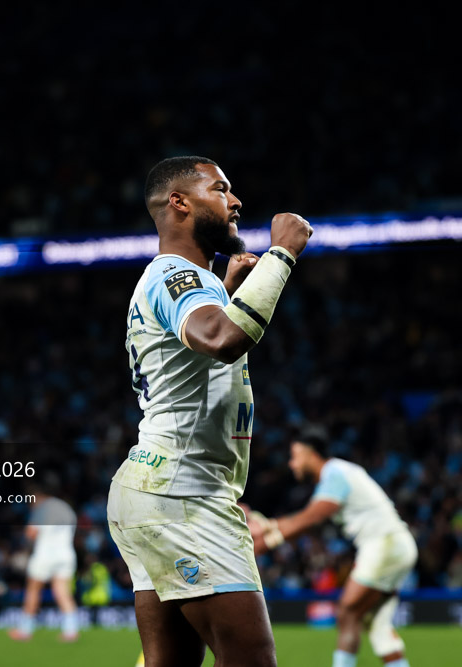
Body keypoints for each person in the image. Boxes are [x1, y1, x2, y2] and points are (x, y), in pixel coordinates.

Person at [108, 155, 313, 667]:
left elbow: (197, 357)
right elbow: (222, 339)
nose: (235, 201)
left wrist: (227, 289)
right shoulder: (176, 274)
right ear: (180, 202)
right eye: (221, 189)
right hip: (183, 495)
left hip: (156, 488)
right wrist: (281, 255)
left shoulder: (186, 279)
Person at [249, 431, 417, 667]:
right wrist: (268, 533)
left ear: (311, 454)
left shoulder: (335, 473)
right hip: (394, 545)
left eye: (295, 456)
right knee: (375, 623)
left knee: (347, 612)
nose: (292, 463)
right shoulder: (339, 473)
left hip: (384, 544)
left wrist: (267, 534)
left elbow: (313, 517)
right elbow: (308, 520)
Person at [9, 493, 80, 641]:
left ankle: (25, 629)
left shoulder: (41, 509)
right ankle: (71, 630)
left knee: (33, 590)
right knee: (62, 592)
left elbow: (31, 533)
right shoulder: (67, 509)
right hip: (66, 554)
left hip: (45, 555)